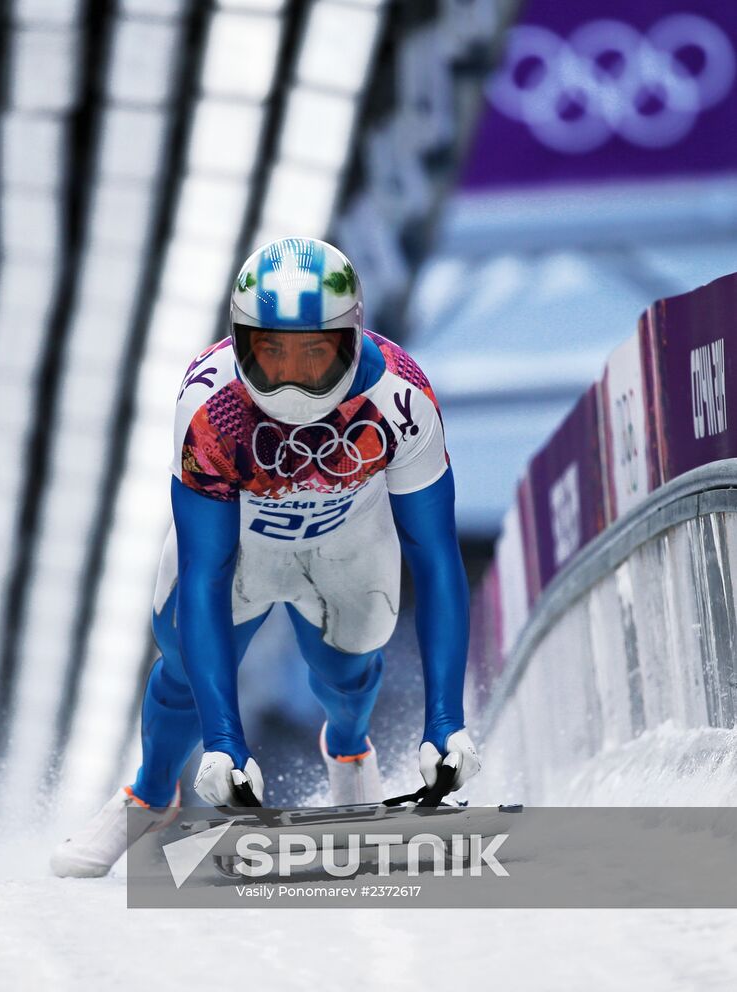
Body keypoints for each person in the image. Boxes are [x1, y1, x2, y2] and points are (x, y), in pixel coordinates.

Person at [51, 237, 480, 878]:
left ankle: (348, 749)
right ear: (240, 339)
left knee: (348, 672)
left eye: (314, 353)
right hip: (244, 553)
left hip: (348, 548)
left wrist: (446, 721)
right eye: (270, 351)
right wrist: (224, 740)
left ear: (353, 338)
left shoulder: (403, 398)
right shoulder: (209, 403)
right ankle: (149, 793)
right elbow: (205, 572)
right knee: (180, 666)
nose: (291, 379)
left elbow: (436, 556)